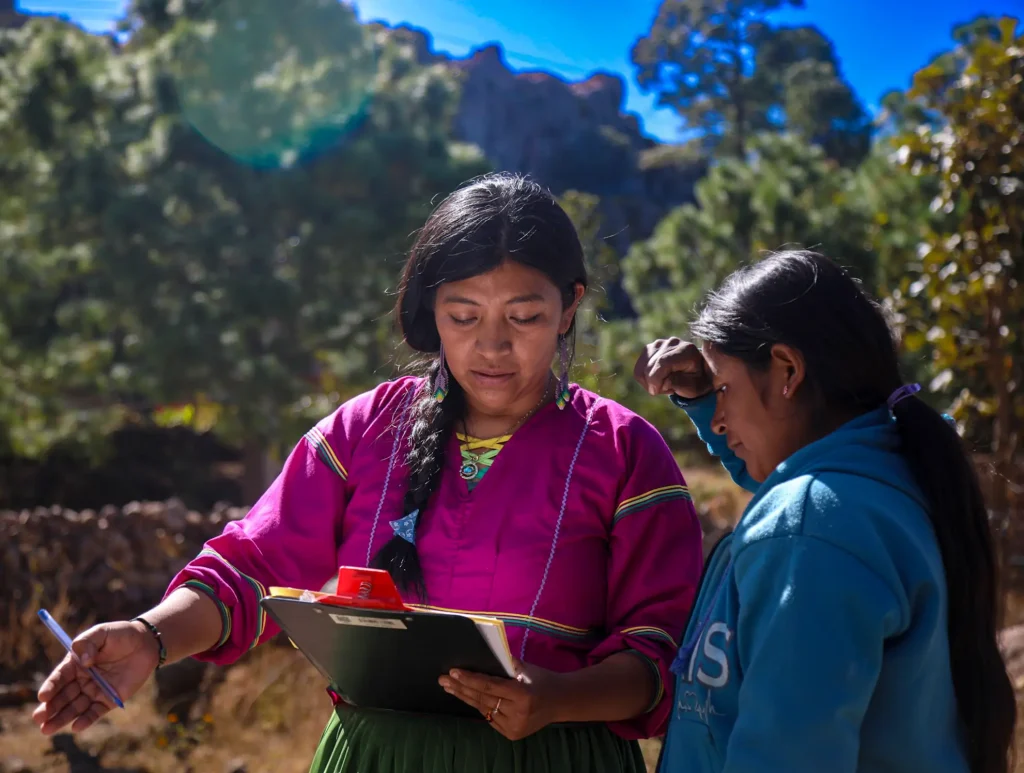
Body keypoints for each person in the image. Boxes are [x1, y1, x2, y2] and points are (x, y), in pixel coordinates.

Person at [33, 173, 704, 773]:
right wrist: (151, 636)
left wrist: (554, 697)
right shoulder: (364, 430)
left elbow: (659, 652)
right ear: (431, 309)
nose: (492, 345)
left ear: (570, 305)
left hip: (552, 756)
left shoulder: (625, 452)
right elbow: (249, 569)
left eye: (524, 316)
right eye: (463, 315)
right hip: (374, 754)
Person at [634, 250, 1017, 773]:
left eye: (725, 390)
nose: (719, 421)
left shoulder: (807, 529)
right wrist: (708, 396)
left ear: (787, 370)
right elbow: (792, 475)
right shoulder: (885, 477)